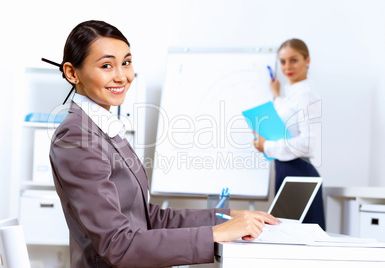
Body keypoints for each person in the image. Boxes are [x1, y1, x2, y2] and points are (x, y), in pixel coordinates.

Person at [49, 20, 279, 268]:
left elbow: (147, 217)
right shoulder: (75, 137)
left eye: (126, 63)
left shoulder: (103, 129)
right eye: (106, 65)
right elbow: (118, 244)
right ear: (72, 73)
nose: (121, 76)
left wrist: (225, 217)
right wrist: (214, 235)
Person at [252, 38, 325, 230]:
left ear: (307, 60)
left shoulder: (306, 94)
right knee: (287, 239)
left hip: (298, 175)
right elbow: (287, 118)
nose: (287, 67)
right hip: (286, 173)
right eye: (283, 62)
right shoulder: (291, 95)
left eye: (293, 60)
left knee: (296, 242)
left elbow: (307, 144)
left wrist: (266, 146)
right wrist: (276, 95)